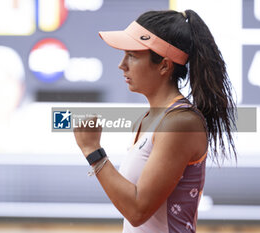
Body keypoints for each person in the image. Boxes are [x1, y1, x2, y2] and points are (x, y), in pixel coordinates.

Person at [74, 10, 237, 233]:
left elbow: (138, 211)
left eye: (132, 55)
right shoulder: (151, 119)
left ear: (164, 65)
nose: (122, 65)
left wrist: (92, 150)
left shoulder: (181, 123)